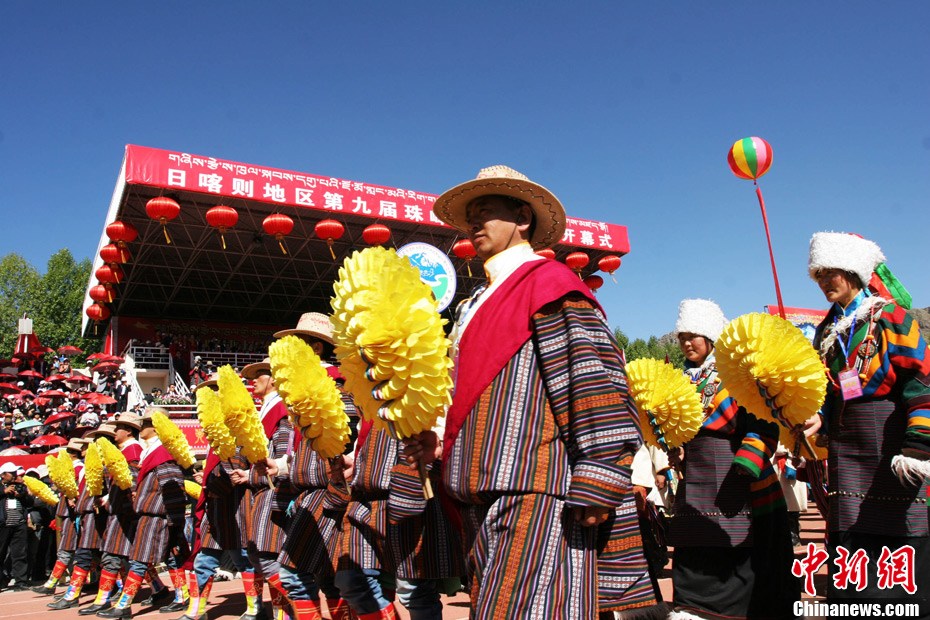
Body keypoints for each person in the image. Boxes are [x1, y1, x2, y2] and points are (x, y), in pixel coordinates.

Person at [405, 165, 656, 618]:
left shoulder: (549, 283)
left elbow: (594, 380)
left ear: (522, 217)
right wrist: (441, 439)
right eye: (470, 217)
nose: (474, 225)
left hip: (534, 494)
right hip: (482, 497)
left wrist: (601, 471)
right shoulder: (477, 300)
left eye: (486, 212)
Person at [807, 232, 930, 611]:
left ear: (854, 272)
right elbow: (831, 391)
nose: (826, 281)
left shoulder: (891, 317)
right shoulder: (827, 332)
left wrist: (918, 444)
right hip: (847, 444)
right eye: (819, 274)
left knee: (899, 525)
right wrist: (819, 420)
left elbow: (921, 378)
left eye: (833, 273)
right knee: (849, 530)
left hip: (889, 436)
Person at [665, 299, 797, 619]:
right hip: (695, 484)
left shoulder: (737, 374)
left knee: (741, 558)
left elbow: (764, 424)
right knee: (694, 547)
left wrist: (744, 468)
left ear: (710, 337)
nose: (686, 342)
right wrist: (675, 446)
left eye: (694, 335)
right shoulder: (681, 381)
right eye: (682, 335)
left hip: (739, 482)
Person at [99, 409, 189, 619]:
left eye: (145, 423)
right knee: (169, 558)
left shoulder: (163, 452)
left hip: (156, 514)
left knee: (140, 559)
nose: (141, 428)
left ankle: (125, 604)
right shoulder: (151, 450)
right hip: (151, 513)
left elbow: (174, 487)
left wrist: (174, 520)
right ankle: (181, 595)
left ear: (155, 426)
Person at [181, 378, 258, 620]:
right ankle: (197, 610)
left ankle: (255, 608)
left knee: (242, 560)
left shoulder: (236, 432)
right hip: (216, 512)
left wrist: (211, 484)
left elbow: (235, 469)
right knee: (203, 561)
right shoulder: (217, 434)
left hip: (234, 510)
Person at [230, 359, 294, 620]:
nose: (253, 380)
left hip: (273, 492)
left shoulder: (280, 409)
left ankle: (293, 609)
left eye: (260, 375)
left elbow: (282, 456)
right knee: (257, 556)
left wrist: (250, 474)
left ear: (274, 379)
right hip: (258, 492)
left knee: (267, 558)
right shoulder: (265, 410)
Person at [78, 416, 144, 615]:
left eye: (118, 428)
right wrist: (108, 498)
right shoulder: (125, 450)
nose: (115, 432)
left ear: (129, 431)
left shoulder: (132, 450)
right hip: (118, 508)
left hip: (123, 511)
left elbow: (131, 482)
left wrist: (117, 501)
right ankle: (160, 590)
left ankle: (104, 598)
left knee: (114, 554)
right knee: (130, 556)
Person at [33, 438, 84, 596]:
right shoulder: (71, 469)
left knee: (71, 551)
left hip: (73, 515)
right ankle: (53, 583)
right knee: (69, 550)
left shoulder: (78, 469)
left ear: (72, 454)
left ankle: (54, 583)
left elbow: (76, 492)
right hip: (67, 514)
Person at [0, 460, 32, 590]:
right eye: (11, 473)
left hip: (19, 525)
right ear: (3, 475)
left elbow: (30, 502)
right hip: (3, 525)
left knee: (20, 554)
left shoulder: (20, 486)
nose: (14, 475)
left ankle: (21, 582)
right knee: (0, 553)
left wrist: (22, 495)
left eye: (14, 473)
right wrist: (4, 492)